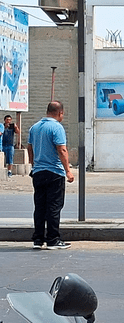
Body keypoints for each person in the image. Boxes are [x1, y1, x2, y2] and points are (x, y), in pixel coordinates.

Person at [27, 101, 75, 250]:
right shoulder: (57, 127)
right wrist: (68, 170)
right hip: (54, 172)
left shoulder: (34, 127)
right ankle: (53, 240)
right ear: (60, 113)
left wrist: (33, 165)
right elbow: (62, 150)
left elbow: (29, 148)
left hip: (38, 172)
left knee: (40, 207)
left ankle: (38, 239)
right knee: (54, 206)